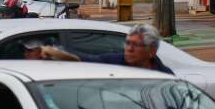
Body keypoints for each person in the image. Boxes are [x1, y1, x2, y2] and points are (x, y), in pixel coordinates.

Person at [41, 24, 174, 74]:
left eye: (136, 45)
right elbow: (82, 60)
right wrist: (53, 53)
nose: (129, 49)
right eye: (127, 43)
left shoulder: (165, 74)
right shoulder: (114, 61)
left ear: (152, 50)